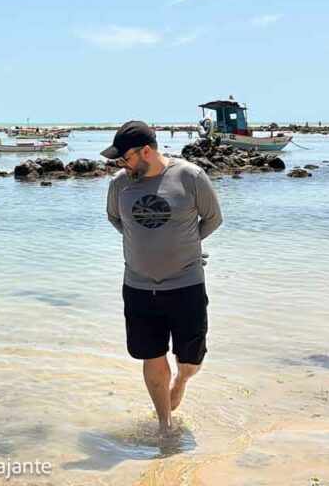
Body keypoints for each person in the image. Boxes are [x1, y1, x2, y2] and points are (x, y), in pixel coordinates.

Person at [103, 121, 223, 434]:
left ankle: (181, 381)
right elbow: (115, 218)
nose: (122, 164)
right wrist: (142, 242)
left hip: (186, 284)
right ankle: (165, 424)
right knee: (152, 355)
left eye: (125, 158)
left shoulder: (190, 176)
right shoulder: (119, 184)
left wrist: (185, 244)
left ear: (146, 151)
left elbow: (213, 218)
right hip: (139, 286)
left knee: (191, 361)